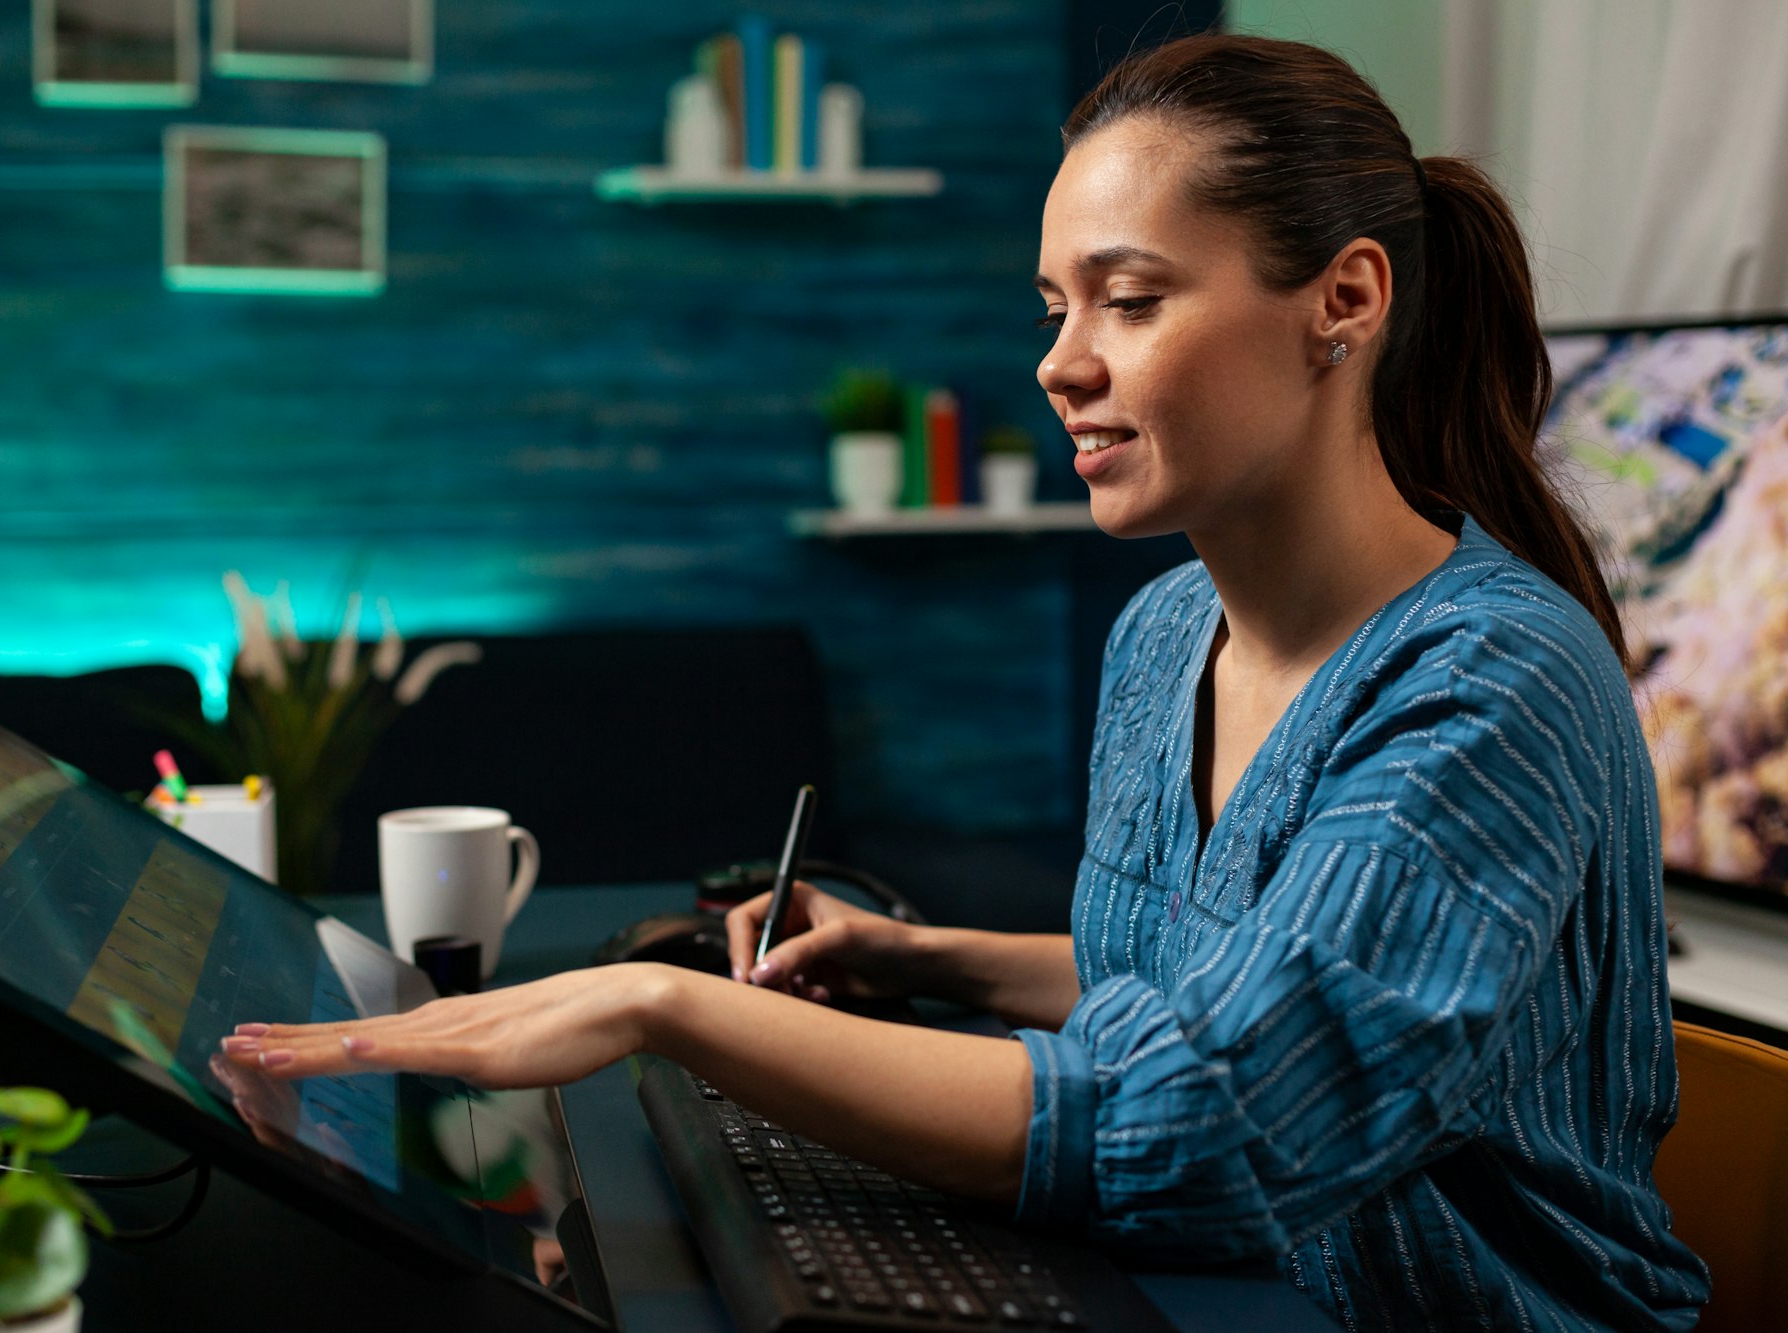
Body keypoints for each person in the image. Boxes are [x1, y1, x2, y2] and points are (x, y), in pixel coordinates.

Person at [223, 33, 1711, 1331]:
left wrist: (659, 1008)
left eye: (1127, 300)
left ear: (1346, 298)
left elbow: (1216, 1119)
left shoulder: (1498, 685)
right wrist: (913, 958)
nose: (1061, 363)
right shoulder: (1164, 635)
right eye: (1054, 307)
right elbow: (1202, 980)